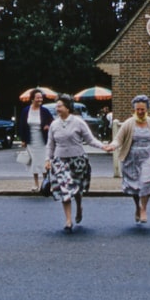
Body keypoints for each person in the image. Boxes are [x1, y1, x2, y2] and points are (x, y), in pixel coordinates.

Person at [104, 94, 150, 224]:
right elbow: (119, 138)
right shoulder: (129, 124)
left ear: (147, 110)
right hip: (131, 157)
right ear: (134, 110)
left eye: (143, 110)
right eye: (138, 110)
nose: (140, 112)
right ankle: (137, 207)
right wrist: (112, 146)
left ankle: (144, 209)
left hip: (148, 156)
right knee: (134, 185)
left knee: (147, 182)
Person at [45, 94, 106, 232]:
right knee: (64, 189)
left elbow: (90, 140)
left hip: (77, 160)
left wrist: (103, 146)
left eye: (59, 106)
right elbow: (50, 144)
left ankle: (79, 206)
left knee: (77, 189)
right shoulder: (54, 125)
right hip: (60, 161)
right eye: (56, 107)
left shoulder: (78, 122)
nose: (57, 109)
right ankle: (68, 220)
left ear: (68, 108)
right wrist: (47, 160)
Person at [17, 89, 54, 192]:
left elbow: (53, 122)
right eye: (38, 97)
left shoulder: (45, 111)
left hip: (42, 140)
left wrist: (48, 126)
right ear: (32, 99)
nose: (40, 99)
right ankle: (36, 184)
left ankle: (46, 183)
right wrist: (23, 139)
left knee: (44, 161)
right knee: (34, 162)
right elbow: (22, 126)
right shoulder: (25, 111)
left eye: (41, 97)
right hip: (30, 139)